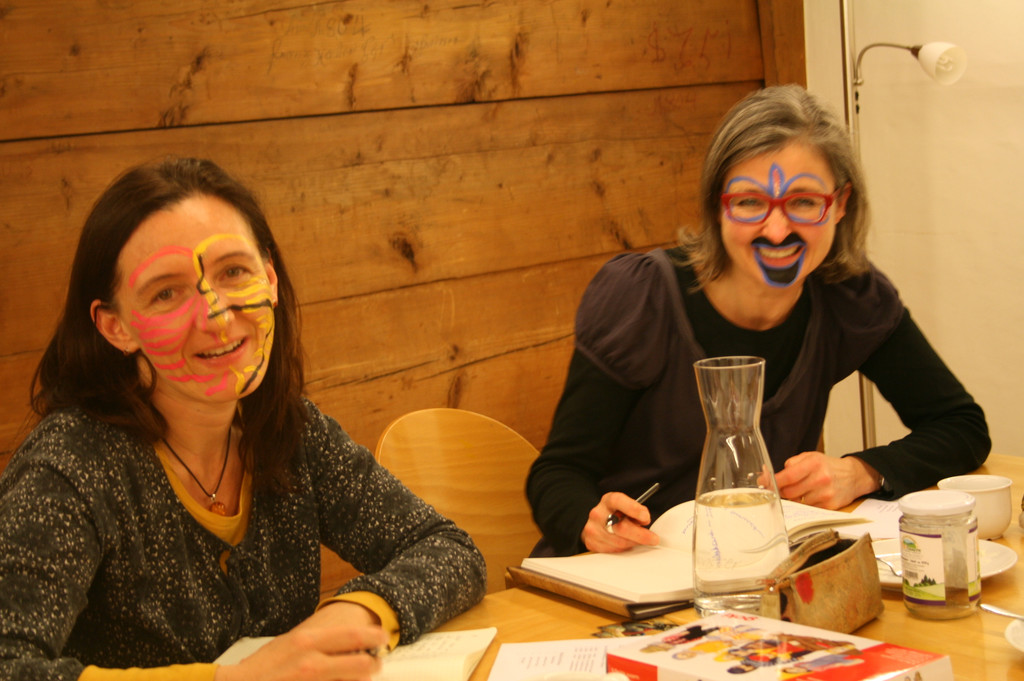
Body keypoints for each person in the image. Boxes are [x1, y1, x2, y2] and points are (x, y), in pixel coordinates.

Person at [0, 157, 486, 680]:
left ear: (270, 278)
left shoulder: (289, 430)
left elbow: (448, 548)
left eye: (233, 271)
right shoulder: (68, 469)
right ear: (115, 327)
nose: (217, 314)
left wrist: (359, 612)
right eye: (166, 292)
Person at [526, 84, 990, 557]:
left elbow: (961, 427)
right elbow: (558, 473)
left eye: (804, 202)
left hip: (758, 572)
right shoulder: (642, 297)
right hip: (622, 573)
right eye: (750, 202)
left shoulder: (849, 296)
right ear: (717, 204)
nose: (777, 230)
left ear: (840, 203)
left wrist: (861, 471)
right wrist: (592, 522)